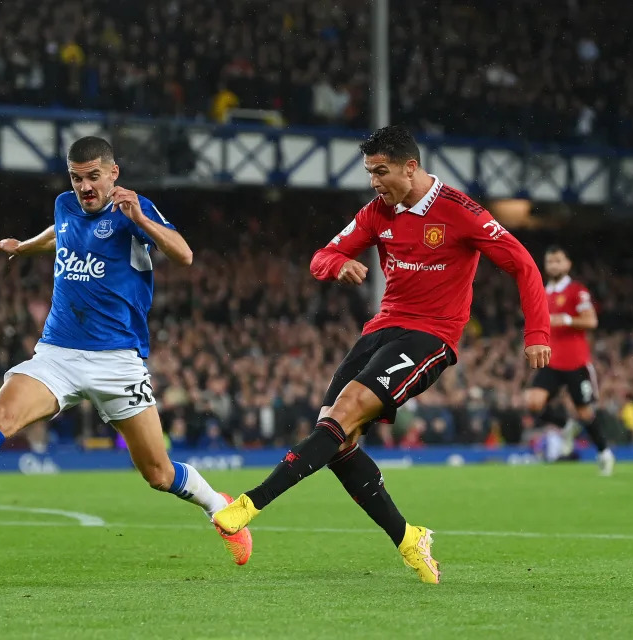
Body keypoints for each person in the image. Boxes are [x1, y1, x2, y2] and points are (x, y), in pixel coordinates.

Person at [212, 125, 551, 583]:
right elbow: (321, 256)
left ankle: (248, 505)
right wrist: (340, 264)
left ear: (410, 167)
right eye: (370, 172)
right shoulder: (377, 212)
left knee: (343, 415)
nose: (374, 181)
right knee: (336, 439)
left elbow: (522, 263)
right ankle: (410, 539)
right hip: (381, 329)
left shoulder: (461, 212)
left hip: (432, 336)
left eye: (381, 171)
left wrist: (538, 332)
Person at [0, 136, 253, 565]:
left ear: (113, 173)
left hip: (117, 361)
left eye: (93, 177)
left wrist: (140, 217)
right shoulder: (65, 204)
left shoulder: (132, 211)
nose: (85, 186)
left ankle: (219, 507)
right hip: (58, 354)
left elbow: (185, 255)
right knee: (1, 416)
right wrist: (24, 246)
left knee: (158, 473)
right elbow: (61, 233)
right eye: (76, 177)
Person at [525, 245, 614, 475]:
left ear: (567, 264)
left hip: (576, 362)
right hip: (552, 361)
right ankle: (567, 426)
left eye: (558, 261)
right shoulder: (541, 292)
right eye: (550, 261)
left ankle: (604, 452)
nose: (554, 265)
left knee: (585, 412)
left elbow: (591, 321)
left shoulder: (577, 291)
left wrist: (564, 319)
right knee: (533, 402)